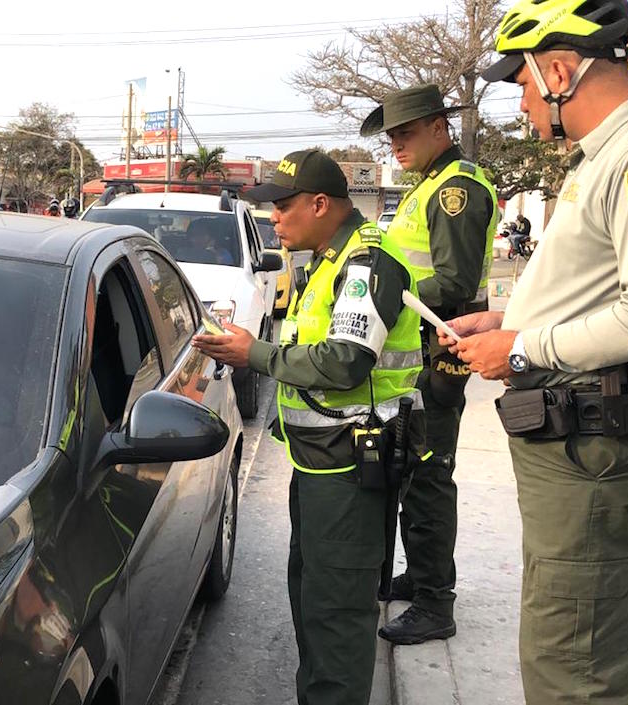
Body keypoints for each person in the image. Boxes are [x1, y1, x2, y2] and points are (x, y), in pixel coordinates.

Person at [444, 1, 628, 702]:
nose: (527, 103)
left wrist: (523, 348)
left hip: (594, 446)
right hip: (583, 444)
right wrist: (509, 319)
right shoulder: (612, 155)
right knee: (569, 642)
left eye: (525, 84)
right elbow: (607, 290)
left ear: (559, 69)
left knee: (576, 665)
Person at [192, 149, 426, 705]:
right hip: (322, 462)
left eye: (283, 206)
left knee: (337, 615)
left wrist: (258, 355)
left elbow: (346, 360)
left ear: (321, 204)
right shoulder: (326, 258)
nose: (274, 219)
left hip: (350, 469)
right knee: (314, 602)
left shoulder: (364, 264)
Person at [359, 83, 498, 645]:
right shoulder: (431, 185)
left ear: (440, 126)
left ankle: (437, 604)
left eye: (406, 132)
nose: (396, 144)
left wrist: (387, 287)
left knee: (428, 476)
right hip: (422, 352)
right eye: (391, 136)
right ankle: (421, 576)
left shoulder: (455, 190)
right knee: (416, 469)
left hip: (440, 355)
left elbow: (457, 283)